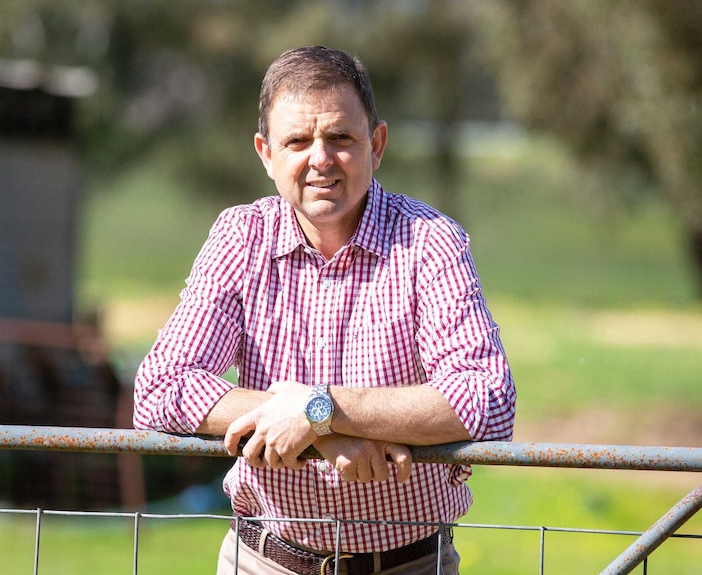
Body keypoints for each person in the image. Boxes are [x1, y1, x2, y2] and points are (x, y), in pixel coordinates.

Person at [133, 45, 516, 575]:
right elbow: (161, 388)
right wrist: (325, 430)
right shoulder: (241, 237)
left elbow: (487, 399)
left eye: (340, 138)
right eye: (297, 141)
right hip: (265, 561)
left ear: (376, 144)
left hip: (409, 566)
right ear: (266, 154)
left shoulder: (431, 242)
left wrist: (320, 406)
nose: (320, 158)